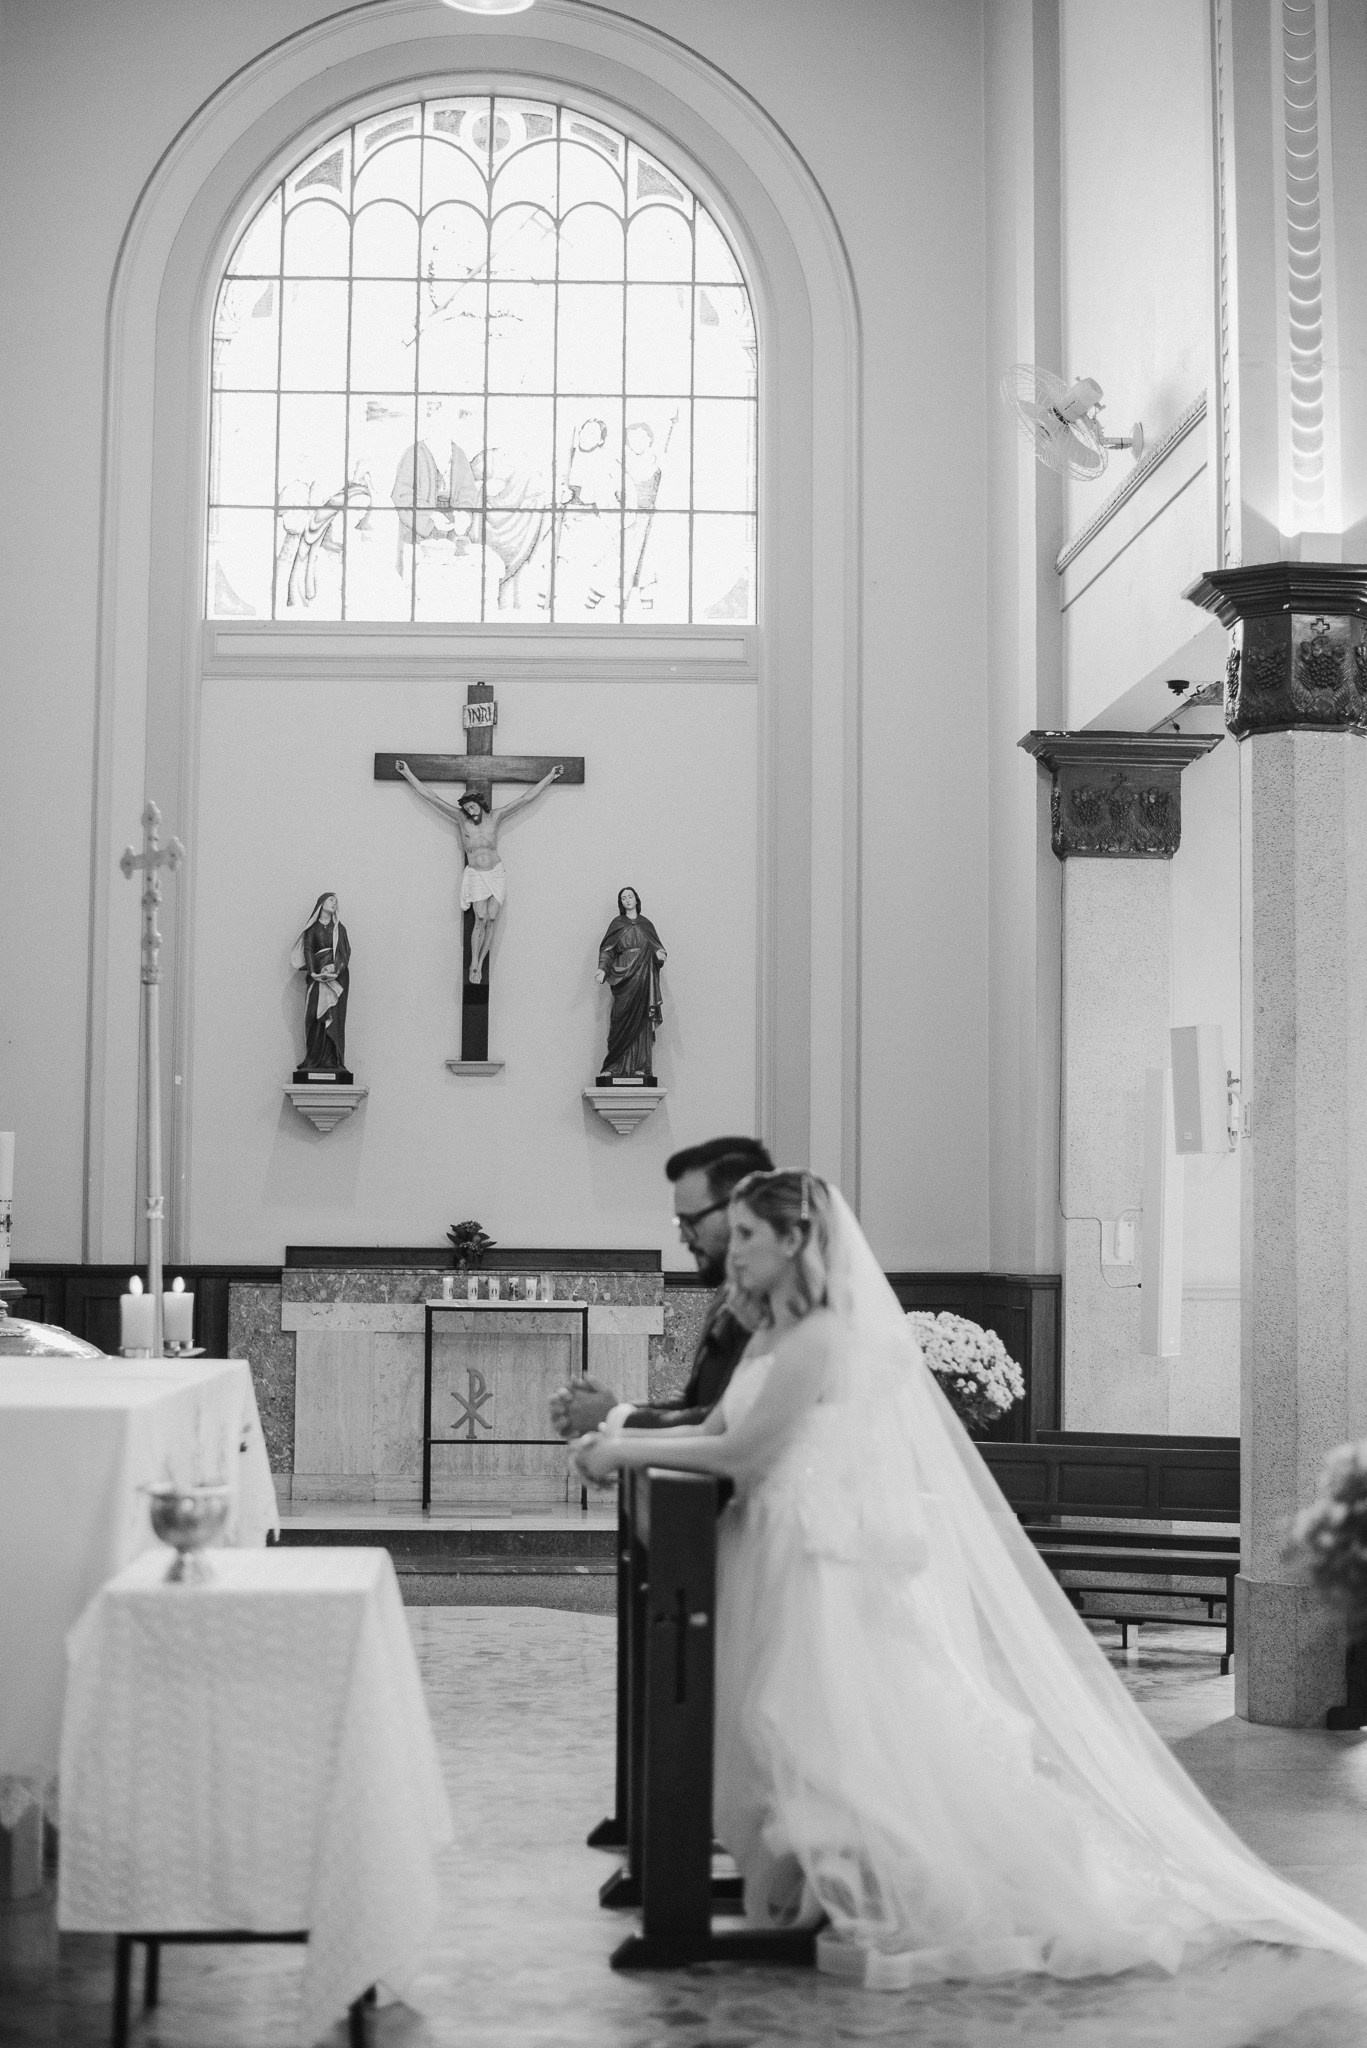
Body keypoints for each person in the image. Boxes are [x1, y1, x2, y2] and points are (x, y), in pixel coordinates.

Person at [575, 1171, 1367, 2020]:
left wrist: (618, 1453)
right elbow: (716, 1428)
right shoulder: (773, 1332)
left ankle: (871, 1880)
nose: (731, 1252)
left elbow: (742, 1454)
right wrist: (620, 1434)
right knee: (789, 1729)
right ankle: (819, 1879)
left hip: (818, 1565)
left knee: (819, 1727)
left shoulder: (820, 1338)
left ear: (795, 1240)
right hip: (776, 1547)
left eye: (746, 1235)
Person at [549, 1136, 772, 1440]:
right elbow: (696, 1404)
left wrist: (612, 1417)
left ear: (739, 1209)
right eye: (680, 1222)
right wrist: (614, 1416)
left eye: (691, 1221)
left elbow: (724, 1427)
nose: (683, 1238)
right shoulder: (728, 1293)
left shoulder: (776, 1304)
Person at [395, 760, 562, 984]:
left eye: (472, 807)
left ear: (480, 804)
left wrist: (550, 777)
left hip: (496, 872)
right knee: (480, 917)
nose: (469, 811)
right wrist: (407, 773)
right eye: (466, 809)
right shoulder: (460, 819)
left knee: (491, 918)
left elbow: (525, 799)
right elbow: (432, 797)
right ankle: (474, 962)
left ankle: (481, 964)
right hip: (476, 873)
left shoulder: (496, 817)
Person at [594, 887, 666, 1082]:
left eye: (630, 896)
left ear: (636, 899)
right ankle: (613, 1066)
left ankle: (641, 1067)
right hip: (623, 978)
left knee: (641, 1021)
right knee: (619, 1020)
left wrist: (659, 954)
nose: (627, 900)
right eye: (623, 898)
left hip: (643, 977)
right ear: (621, 903)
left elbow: (656, 947)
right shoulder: (617, 924)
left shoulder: (646, 924)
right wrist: (602, 969)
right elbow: (608, 950)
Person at [291, 892, 350, 1075]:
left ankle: (333, 1060)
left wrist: (335, 969)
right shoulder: (313, 929)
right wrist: (314, 972)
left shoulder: (339, 929)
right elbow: (308, 950)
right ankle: (314, 1059)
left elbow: (345, 952)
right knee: (315, 1015)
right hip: (318, 977)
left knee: (333, 1016)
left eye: (336, 901)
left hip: (336, 980)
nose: (334, 903)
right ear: (321, 903)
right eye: (331, 900)